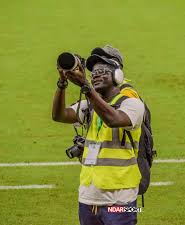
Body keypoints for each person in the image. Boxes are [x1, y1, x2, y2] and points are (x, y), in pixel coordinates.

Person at [52, 45, 145, 225]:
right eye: (93, 72)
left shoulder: (132, 103)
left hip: (121, 199)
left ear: (118, 75)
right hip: (88, 198)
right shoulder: (90, 105)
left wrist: (86, 87)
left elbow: (114, 119)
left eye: (102, 70)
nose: (95, 75)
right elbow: (59, 115)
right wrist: (62, 83)